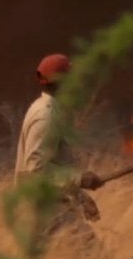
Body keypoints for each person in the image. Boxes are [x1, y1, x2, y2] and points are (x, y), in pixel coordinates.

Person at [14, 53, 104, 248]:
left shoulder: (49, 110)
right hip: (45, 211)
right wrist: (79, 179)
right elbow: (35, 168)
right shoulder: (45, 116)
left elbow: (54, 166)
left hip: (51, 207)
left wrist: (81, 197)